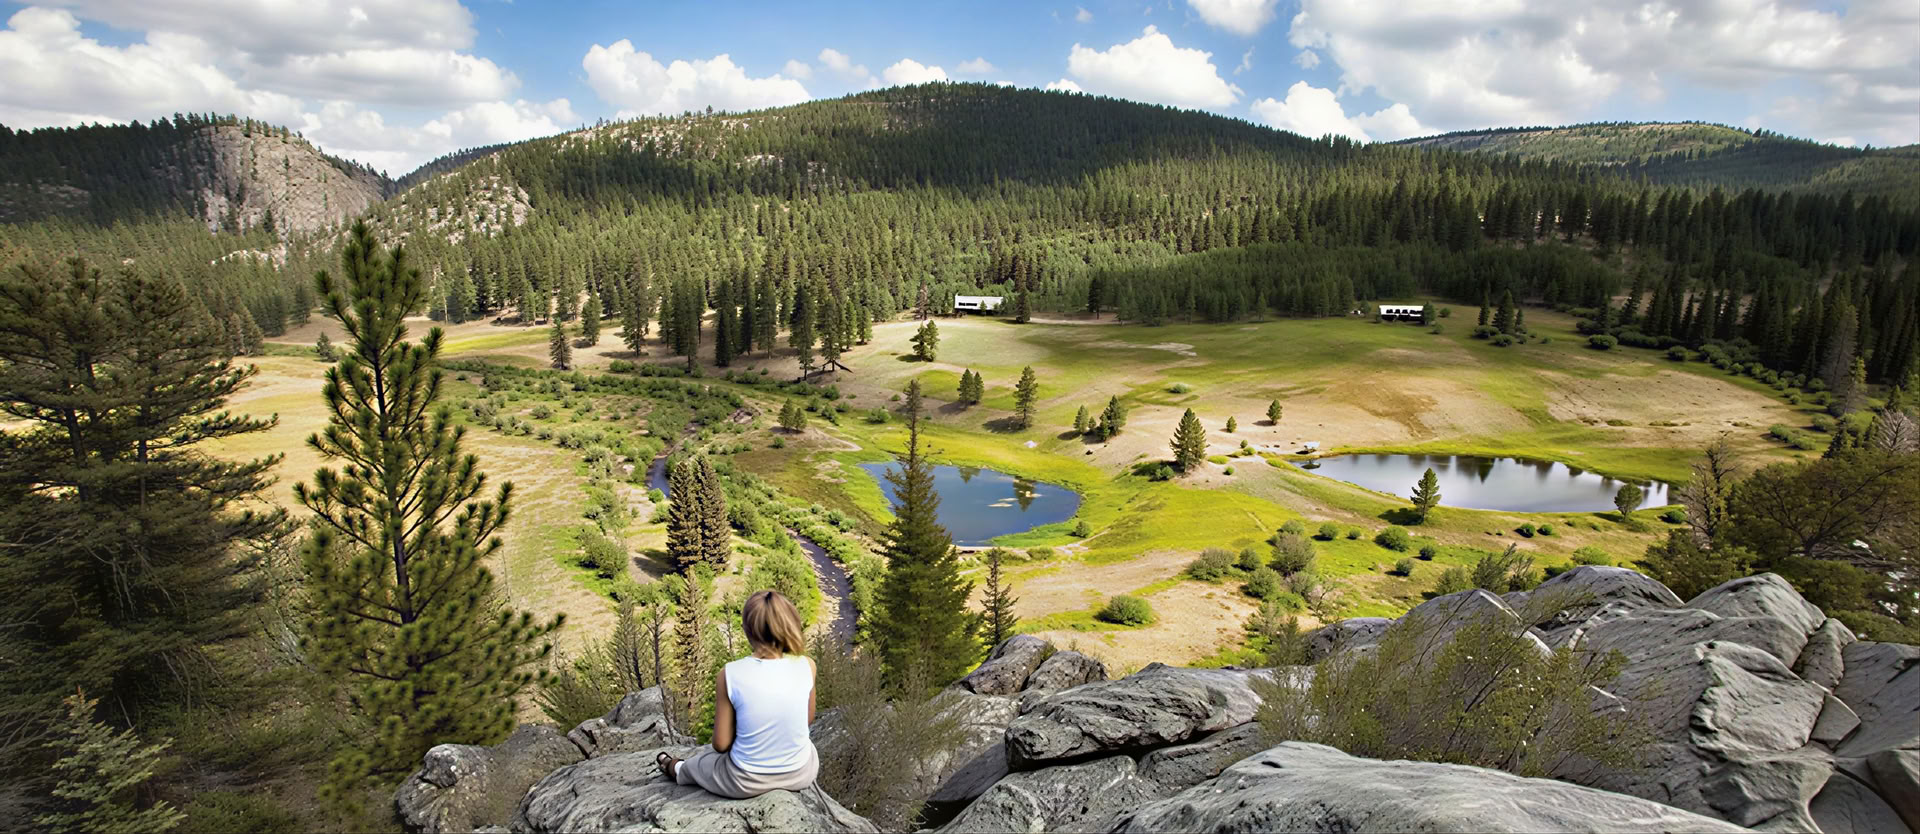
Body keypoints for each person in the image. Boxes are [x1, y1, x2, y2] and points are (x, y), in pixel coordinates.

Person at [657, 589, 818, 798]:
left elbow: (721, 744)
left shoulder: (729, 674)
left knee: (704, 762)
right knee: (809, 748)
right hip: (800, 775)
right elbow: (808, 718)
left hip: (746, 781)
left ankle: (675, 768)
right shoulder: (807, 665)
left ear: (747, 630)